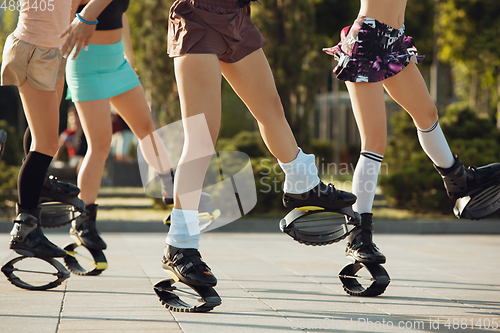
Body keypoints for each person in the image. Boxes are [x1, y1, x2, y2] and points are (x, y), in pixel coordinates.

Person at [162, 0, 357, 288]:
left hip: (237, 16)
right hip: (197, 16)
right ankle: (180, 245)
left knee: (271, 110)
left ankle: (303, 185)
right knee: (202, 137)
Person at [323, 0, 500, 264]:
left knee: (427, 114)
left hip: (393, 39)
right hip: (367, 39)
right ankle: (359, 234)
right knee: (374, 142)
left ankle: (457, 179)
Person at [65, 0, 180, 251]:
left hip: (118, 64)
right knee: (100, 145)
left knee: (147, 130)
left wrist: (130, 58)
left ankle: (174, 194)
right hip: (85, 65)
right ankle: (83, 221)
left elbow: (121, 16)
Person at [1, 0, 113, 258]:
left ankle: (37, 185)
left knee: (42, 132)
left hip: (54, 51)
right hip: (34, 50)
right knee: (47, 142)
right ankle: (25, 229)